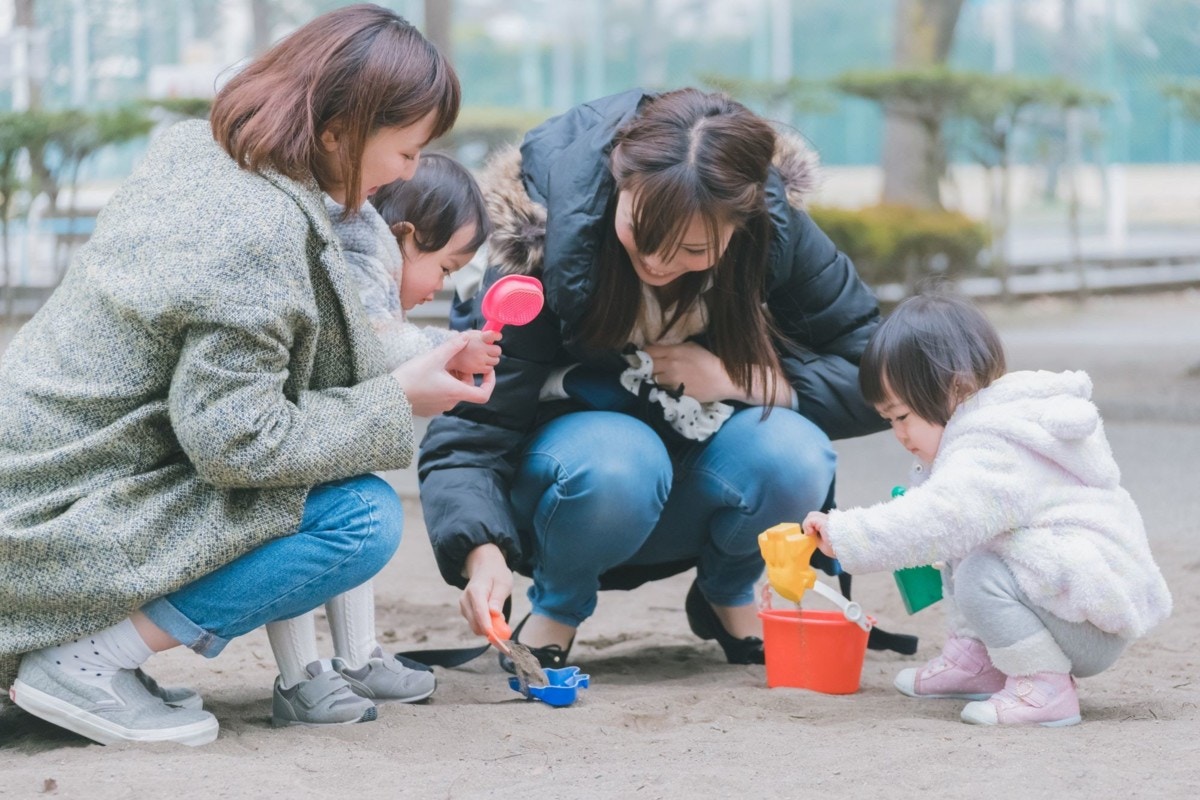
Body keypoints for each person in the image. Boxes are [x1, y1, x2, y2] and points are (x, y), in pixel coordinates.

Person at [0, 4, 494, 746]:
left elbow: (270, 362)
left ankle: (98, 657)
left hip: (41, 483)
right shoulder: (256, 228)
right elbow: (237, 443)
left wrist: (402, 373)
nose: (410, 173)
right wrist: (398, 398)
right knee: (358, 517)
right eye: (409, 151)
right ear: (337, 134)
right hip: (52, 522)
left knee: (331, 488)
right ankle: (88, 663)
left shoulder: (201, 153)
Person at [418, 87, 887, 672]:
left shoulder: (774, 233)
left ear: (741, 225)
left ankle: (728, 593)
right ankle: (557, 610)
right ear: (621, 183)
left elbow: (879, 371)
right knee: (622, 457)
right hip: (578, 492)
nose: (661, 264)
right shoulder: (541, 242)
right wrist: (480, 552)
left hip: (700, 480)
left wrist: (743, 378)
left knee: (796, 454)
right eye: (642, 232)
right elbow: (471, 431)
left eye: (693, 249)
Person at [803, 293, 1172, 727]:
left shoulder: (991, 448)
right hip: (1072, 603)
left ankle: (1044, 687)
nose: (898, 433)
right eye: (888, 421)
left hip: (1088, 618)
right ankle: (980, 660)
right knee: (974, 552)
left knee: (980, 569)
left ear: (956, 389)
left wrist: (848, 534)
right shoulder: (989, 429)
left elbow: (937, 520)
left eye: (901, 415)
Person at [264, 154, 500, 725]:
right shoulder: (361, 251)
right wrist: (448, 350)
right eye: (444, 268)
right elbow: (378, 346)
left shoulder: (366, 253)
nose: (441, 285)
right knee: (301, 534)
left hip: (325, 430)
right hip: (292, 439)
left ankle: (358, 656)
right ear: (407, 237)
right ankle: (299, 677)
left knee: (350, 517)